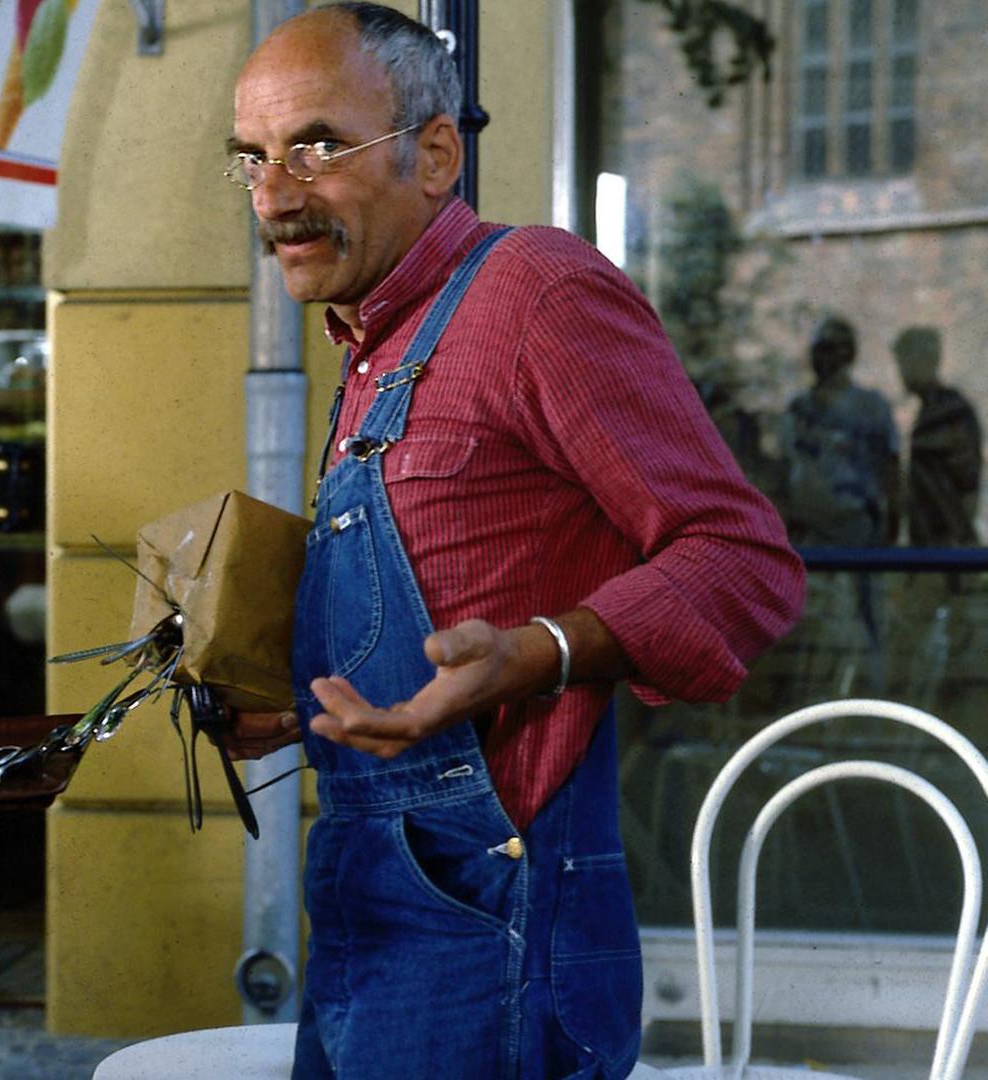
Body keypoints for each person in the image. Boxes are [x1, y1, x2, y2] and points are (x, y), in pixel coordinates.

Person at [222, 6, 804, 1077]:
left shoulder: (538, 292)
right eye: (250, 159)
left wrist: (536, 652)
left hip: (494, 916)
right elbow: (439, 604)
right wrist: (311, 709)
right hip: (367, 907)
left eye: (315, 146)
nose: (275, 196)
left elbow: (743, 560)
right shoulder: (372, 349)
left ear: (435, 151)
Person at [779, 314, 900, 546]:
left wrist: (892, 524)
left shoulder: (872, 407)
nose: (823, 358)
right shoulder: (798, 409)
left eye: (831, 349)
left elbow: (891, 467)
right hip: (809, 534)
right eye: (819, 349)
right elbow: (786, 467)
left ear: (848, 353)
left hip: (859, 528)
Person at [893, 325, 982, 548]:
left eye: (906, 362)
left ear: (926, 361)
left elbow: (967, 479)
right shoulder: (929, 411)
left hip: (947, 547)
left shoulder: (950, 412)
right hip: (928, 545)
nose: (902, 372)